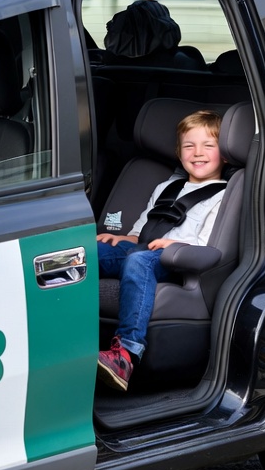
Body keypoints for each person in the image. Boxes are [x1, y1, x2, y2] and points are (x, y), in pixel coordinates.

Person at [96, 109, 227, 391]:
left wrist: (174, 245)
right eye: (189, 146)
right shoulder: (167, 186)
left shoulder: (224, 194)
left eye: (208, 145)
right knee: (90, 253)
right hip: (143, 250)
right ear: (179, 153)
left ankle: (126, 353)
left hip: (176, 260)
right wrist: (120, 239)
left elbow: (208, 244)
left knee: (140, 262)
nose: (197, 153)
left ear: (225, 154)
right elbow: (140, 230)